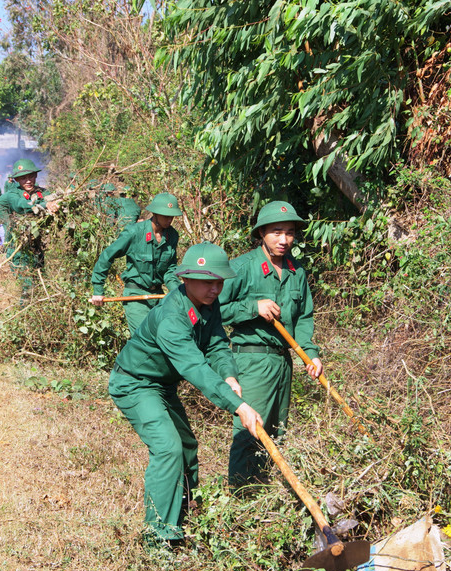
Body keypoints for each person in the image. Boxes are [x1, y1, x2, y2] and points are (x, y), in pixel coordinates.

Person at [108, 241, 263, 548]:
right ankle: (158, 537)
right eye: (207, 282)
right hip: (135, 384)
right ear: (185, 279)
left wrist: (229, 374)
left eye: (219, 281)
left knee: (187, 445)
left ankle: (187, 513)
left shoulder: (208, 303)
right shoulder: (171, 318)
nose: (215, 289)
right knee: (168, 448)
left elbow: (217, 344)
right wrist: (238, 406)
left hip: (162, 386)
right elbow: (196, 368)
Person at [218, 200, 322, 490]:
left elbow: (303, 318)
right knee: (251, 431)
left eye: (290, 232)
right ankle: (240, 496)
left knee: (276, 432)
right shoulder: (242, 267)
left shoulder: (296, 272)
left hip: (283, 361)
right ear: (261, 232)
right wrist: (253, 306)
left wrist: (310, 355)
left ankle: (264, 494)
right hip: (252, 360)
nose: (284, 239)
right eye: (277, 231)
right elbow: (214, 310)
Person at [90, 192, 182, 333]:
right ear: (155, 214)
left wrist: (176, 292)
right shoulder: (134, 232)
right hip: (135, 295)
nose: (170, 219)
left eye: (172, 216)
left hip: (158, 295)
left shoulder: (172, 235)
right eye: (165, 216)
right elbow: (107, 256)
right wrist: (98, 289)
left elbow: (170, 269)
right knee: (144, 339)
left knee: (166, 337)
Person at [0, 158, 59, 297]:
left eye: (31, 176)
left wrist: (56, 202)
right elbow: (21, 205)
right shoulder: (13, 194)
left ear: (36, 176)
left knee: (40, 278)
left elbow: (51, 199)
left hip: (36, 245)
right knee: (27, 285)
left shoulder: (42, 192)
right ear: (17, 180)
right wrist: (45, 205)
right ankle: (26, 312)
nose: (28, 181)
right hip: (19, 246)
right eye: (23, 178)